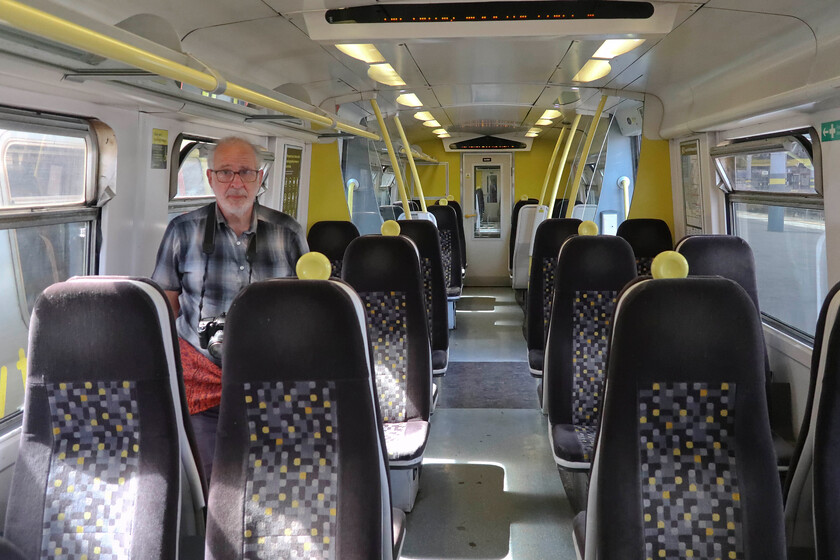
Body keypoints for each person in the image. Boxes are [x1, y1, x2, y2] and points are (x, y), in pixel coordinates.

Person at [152, 136, 308, 479]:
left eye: (245, 172)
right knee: (212, 481)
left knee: (271, 476)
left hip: (272, 381)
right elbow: (166, 308)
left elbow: (304, 311)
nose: (235, 183)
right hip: (202, 380)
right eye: (225, 173)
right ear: (210, 178)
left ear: (260, 177)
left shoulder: (288, 233)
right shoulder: (182, 231)